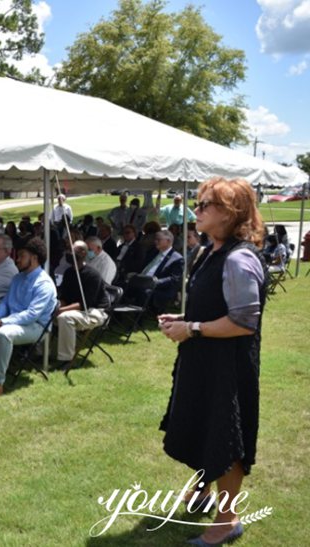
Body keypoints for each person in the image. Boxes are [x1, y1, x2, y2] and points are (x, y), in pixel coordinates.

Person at [158, 177, 266, 546]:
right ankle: (203, 490)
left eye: (206, 205)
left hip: (228, 367)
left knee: (227, 436)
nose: (196, 211)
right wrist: (182, 323)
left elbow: (243, 322)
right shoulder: (211, 250)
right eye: (198, 203)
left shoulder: (239, 259)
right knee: (204, 423)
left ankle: (227, 518)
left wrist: (192, 328)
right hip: (204, 359)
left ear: (230, 214)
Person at [0, 238, 57, 396]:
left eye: (21, 256)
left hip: (37, 327)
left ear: (34, 258)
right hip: (14, 321)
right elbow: (6, 302)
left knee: (4, 334)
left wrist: (2, 322)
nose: (17, 259)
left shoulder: (44, 284)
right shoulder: (18, 278)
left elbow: (31, 315)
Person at [55, 241, 109, 366]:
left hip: (94, 311)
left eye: (74, 250)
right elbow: (64, 296)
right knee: (45, 313)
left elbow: (85, 303)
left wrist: (61, 311)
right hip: (75, 310)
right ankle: (40, 353)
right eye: (69, 250)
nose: (70, 253)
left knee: (64, 317)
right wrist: (58, 307)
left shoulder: (92, 275)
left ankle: (66, 359)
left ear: (83, 253)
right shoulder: (69, 273)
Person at [137, 230, 184, 312]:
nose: (155, 242)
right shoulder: (153, 252)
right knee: (122, 286)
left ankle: (138, 320)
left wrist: (154, 282)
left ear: (168, 241)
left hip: (158, 287)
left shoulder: (177, 258)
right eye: (155, 239)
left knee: (143, 291)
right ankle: (115, 315)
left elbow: (174, 279)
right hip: (142, 280)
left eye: (158, 240)